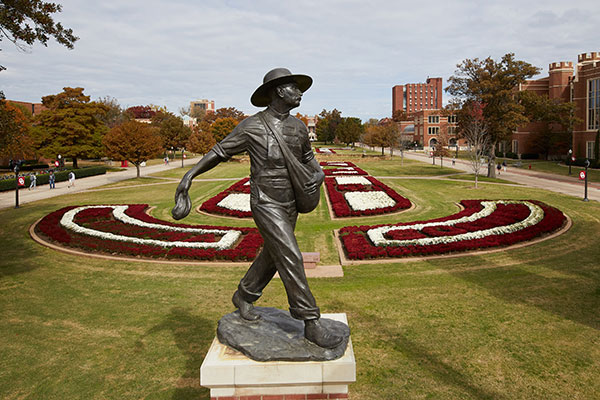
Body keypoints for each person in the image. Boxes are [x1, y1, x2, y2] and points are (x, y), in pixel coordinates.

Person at [172, 68, 342, 349]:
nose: (300, 93)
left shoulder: (299, 127)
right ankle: (310, 322)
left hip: (291, 201)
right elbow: (219, 151)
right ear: (279, 91)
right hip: (265, 201)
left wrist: (318, 174)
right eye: (294, 88)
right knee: (290, 255)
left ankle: (245, 295)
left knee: (273, 255)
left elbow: (310, 160)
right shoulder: (252, 126)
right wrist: (188, 177)